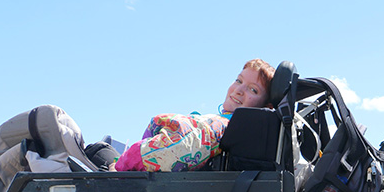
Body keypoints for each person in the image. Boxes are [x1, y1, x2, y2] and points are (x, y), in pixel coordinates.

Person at [113, 58, 275, 171]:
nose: (238, 91)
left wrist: (121, 166)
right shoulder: (225, 126)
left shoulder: (222, 126)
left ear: (266, 107)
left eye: (253, 89)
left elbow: (176, 147)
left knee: (98, 150)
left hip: (132, 170)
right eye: (239, 81)